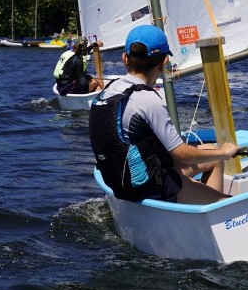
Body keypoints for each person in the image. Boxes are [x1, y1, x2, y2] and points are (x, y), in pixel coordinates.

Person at [89, 25, 240, 204]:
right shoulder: (147, 100)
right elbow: (182, 154)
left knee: (211, 152)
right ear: (164, 62)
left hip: (120, 180)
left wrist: (217, 154)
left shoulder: (109, 90)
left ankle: (199, 201)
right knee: (229, 203)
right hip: (149, 187)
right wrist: (224, 152)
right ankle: (211, 211)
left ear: (125, 59)